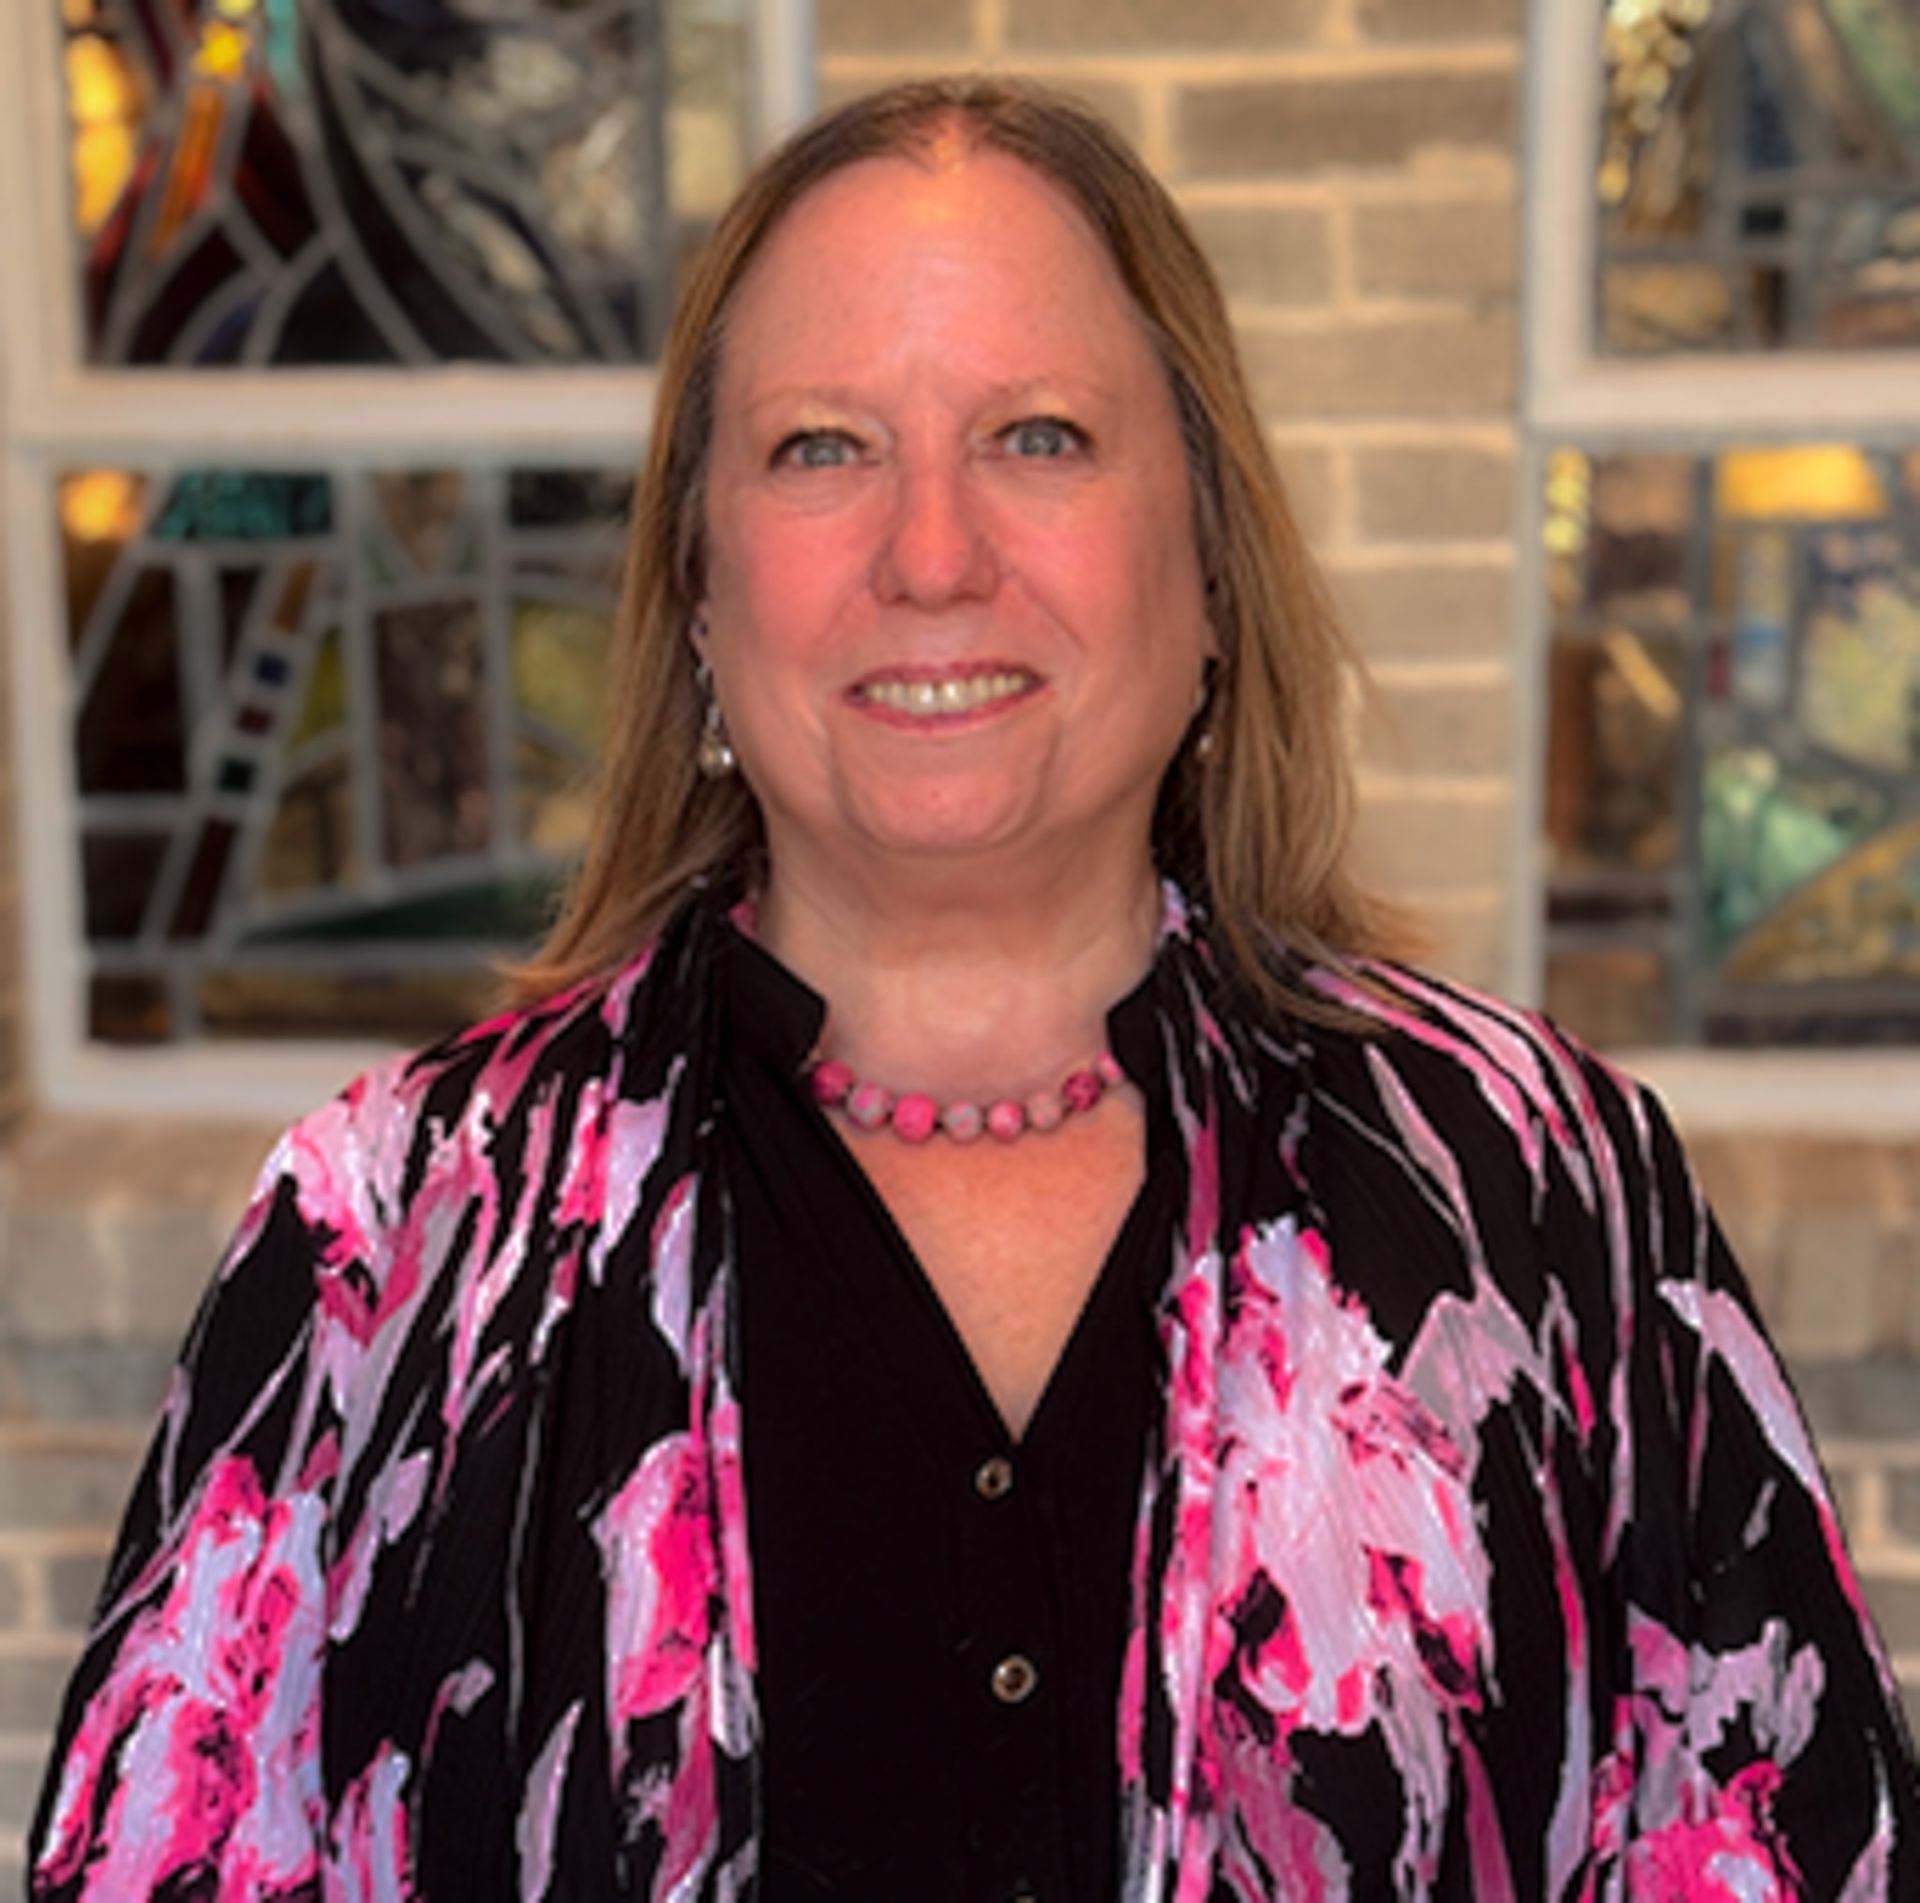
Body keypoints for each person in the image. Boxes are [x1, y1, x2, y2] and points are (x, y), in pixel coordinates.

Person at [28, 75, 1919, 1902]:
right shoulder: (387, 1249)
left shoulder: (1543, 1201)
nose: (932, 558)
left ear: (1209, 570)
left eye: (1038, 437)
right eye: (822, 448)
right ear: (699, 596)